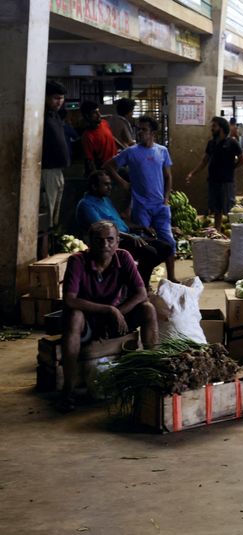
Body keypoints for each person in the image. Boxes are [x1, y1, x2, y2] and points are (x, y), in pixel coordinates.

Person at [58, 220, 158, 412]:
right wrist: (108, 310)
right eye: (99, 240)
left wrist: (117, 312)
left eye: (110, 240)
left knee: (148, 309)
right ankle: (68, 390)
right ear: (89, 242)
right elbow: (70, 300)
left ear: (118, 241)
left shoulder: (124, 257)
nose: (105, 245)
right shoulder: (77, 261)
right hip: (88, 320)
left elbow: (141, 293)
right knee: (74, 316)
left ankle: (151, 375)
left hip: (114, 320)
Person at [104, 116, 178, 283]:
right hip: (141, 206)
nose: (139, 132)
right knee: (143, 244)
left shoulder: (162, 151)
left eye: (143, 129)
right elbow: (109, 166)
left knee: (169, 242)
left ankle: (172, 276)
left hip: (160, 206)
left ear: (153, 133)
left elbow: (168, 176)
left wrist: (166, 199)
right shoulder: (131, 152)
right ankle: (142, 280)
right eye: (138, 129)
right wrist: (122, 182)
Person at [76, 170, 172, 286]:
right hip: (108, 243)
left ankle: (137, 280)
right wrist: (129, 236)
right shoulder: (86, 204)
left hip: (125, 238)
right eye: (106, 184)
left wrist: (141, 227)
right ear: (94, 186)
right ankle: (141, 285)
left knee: (166, 248)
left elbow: (121, 223)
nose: (110, 187)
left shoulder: (105, 200)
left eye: (110, 184)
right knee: (149, 252)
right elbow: (102, 231)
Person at [185, 116, 243, 231]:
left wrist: (231, 168)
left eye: (214, 126)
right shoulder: (211, 143)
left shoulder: (232, 143)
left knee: (229, 209)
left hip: (226, 182)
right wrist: (192, 173)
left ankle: (235, 232)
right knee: (216, 209)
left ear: (221, 128)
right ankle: (217, 232)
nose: (211, 128)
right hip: (213, 180)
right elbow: (205, 161)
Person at [41, 81, 70, 234]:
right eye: (55, 98)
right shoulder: (41, 116)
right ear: (45, 98)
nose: (59, 101)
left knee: (56, 214)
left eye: (61, 98)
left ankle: (53, 243)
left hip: (58, 170)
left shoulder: (55, 116)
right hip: (47, 171)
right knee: (48, 211)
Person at [80, 101, 117, 177]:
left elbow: (111, 137)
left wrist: (125, 148)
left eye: (98, 111)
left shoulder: (104, 123)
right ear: (87, 116)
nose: (99, 115)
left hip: (116, 162)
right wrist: (97, 176)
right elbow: (90, 160)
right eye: (95, 113)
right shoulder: (87, 136)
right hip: (105, 169)